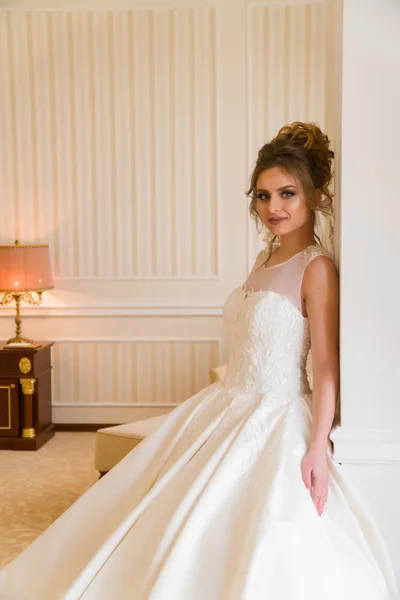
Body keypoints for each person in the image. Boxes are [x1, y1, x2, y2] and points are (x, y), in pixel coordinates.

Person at [0, 122, 398, 600]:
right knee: (156, 508)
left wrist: (316, 448)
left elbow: (327, 367)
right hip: (226, 404)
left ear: (313, 195)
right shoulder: (264, 256)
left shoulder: (318, 269)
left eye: (287, 193)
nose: (274, 207)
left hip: (278, 412)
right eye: (263, 196)